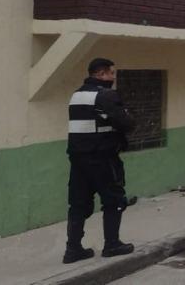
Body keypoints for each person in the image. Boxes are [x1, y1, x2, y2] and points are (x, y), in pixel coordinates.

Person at [63, 58, 136, 264]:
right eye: (111, 73)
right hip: (102, 157)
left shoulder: (77, 95)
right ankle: (112, 244)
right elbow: (127, 123)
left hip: (78, 159)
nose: (113, 78)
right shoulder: (105, 95)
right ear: (101, 74)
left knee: (78, 203)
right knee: (114, 200)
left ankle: (73, 249)